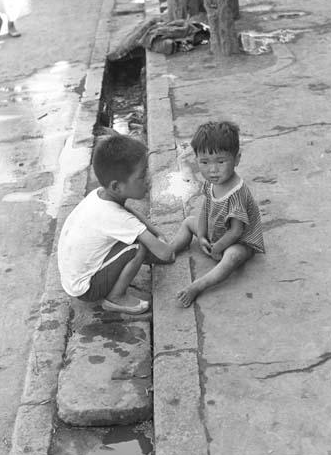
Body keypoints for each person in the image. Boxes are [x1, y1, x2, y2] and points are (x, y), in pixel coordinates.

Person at [57, 134, 174, 314]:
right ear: (116, 187)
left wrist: (156, 232)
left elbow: (130, 214)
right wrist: (161, 242)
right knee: (138, 247)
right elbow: (166, 254)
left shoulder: (99, 194)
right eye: (142, 176)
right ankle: (116, 297)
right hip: (87, 288)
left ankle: (116, 278)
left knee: (140, 239)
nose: (149, 178)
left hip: (74, 276)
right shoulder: (115, 217)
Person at [170, 120, 265, 307]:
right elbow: (206, 207)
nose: (213, 170)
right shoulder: (211, 182)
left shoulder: (237, 192)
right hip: (216, 232)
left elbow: (236, 231)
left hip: (238, 241)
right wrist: (203, 235)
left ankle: (198, 286)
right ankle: (169, 250)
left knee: (233, 256)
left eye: (221, 161)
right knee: (189, 221)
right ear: (196, 159)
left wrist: (217, 248)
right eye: (204, 162)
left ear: (237, 159)